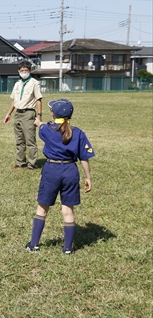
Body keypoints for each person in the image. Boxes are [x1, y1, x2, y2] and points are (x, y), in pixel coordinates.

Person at [25, 99, 95, 255]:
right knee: (68, 210)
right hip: (71, 170)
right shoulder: (78, 132)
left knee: (42, 208)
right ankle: (68, 248)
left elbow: (42, 127)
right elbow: (84, 157)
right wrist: (88, 177)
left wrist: (39, 122)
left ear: (53, 113)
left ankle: (34, 244)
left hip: (51, 170)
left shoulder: (47, 130)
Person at [4, 61, 43, 170]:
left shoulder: (34, 83)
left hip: (28, 113)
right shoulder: (17, 84)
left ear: (30, 71)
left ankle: (32, 164)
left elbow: (39, 99)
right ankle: (20, 163)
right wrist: (8, 114)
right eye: (22, 71)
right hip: (18, 114)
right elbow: (14, 100)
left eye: (26, 70)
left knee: (30, 140)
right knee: (19, 140)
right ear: (19, 71)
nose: (24, 72)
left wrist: (39, 116)